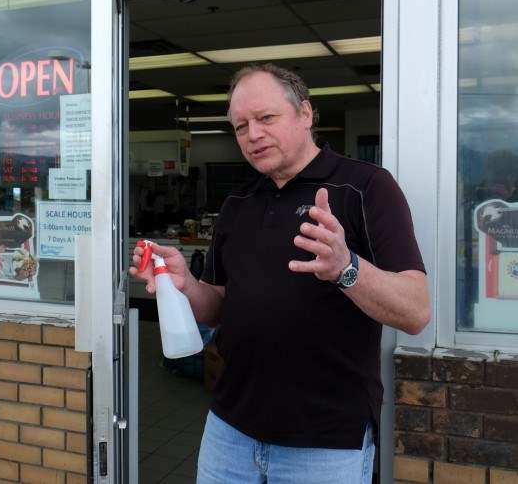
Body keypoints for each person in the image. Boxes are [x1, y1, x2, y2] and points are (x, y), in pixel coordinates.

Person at [130, 63, 431, 483]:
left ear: (305, 114)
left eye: (266, 118)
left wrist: (346, 269)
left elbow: (416, 311)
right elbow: (216, 307)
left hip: (324, 441)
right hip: (228, 430)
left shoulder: (367, 187)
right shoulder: (237, 203)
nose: (252, 135)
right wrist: (185, 286)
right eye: (240, 126)